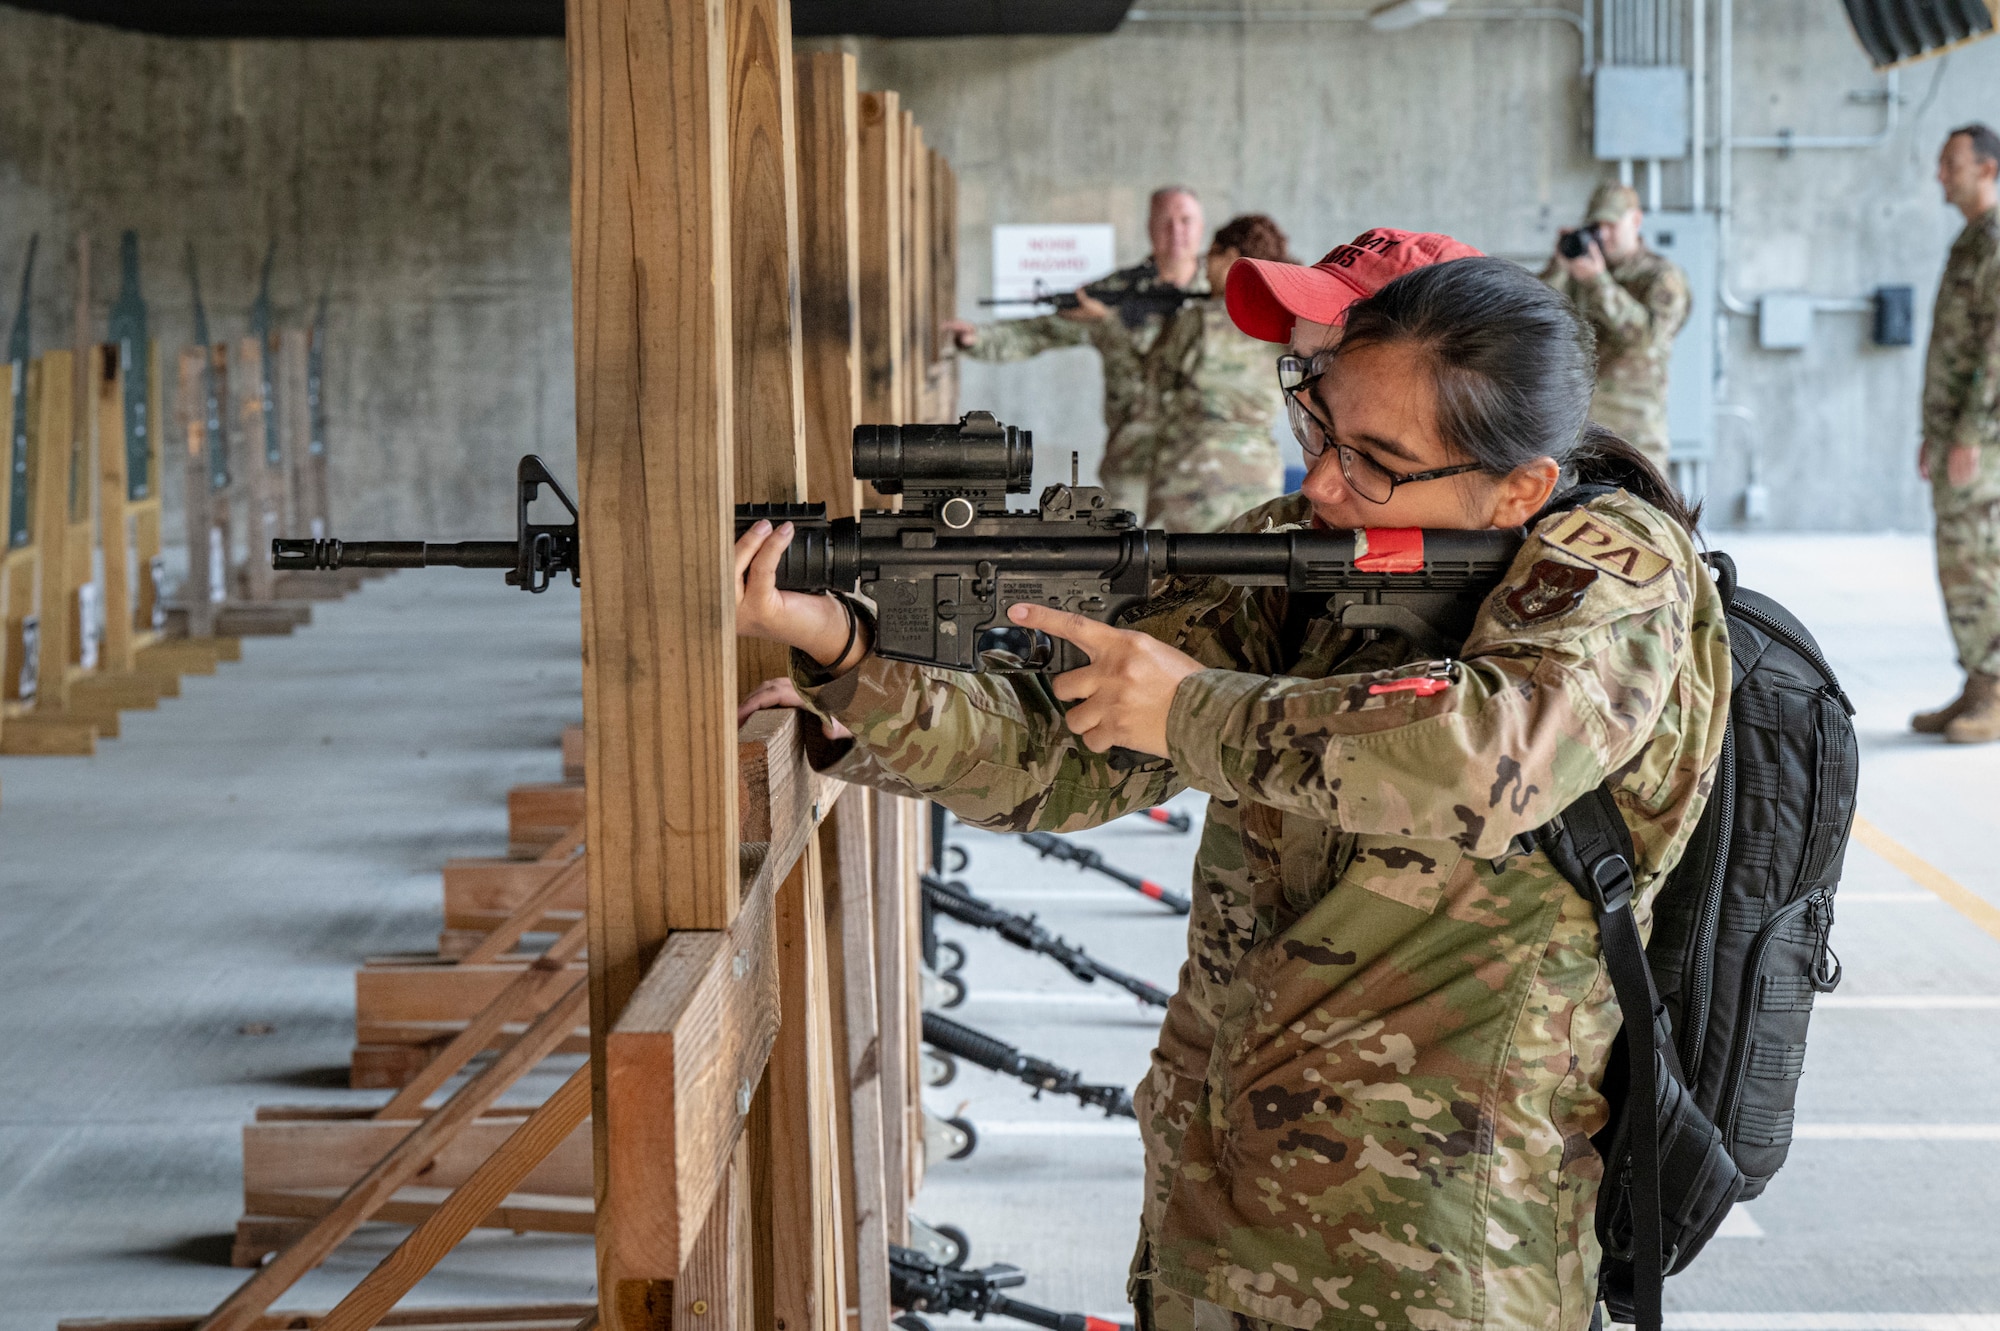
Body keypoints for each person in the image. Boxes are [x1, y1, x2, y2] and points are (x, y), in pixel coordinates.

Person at [737, 254, 1728, 1330]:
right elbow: (1060, 758)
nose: (1320, 483)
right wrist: (850, 654)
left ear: (1518, 486)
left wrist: (1192, 711)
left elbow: (1494, 757)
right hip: (1220, 1215)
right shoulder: (1308, 551)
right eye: (1317, 431)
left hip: (1435, 1260)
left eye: (1374, 460)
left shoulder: (1615, 565)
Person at [944, 186, 1208, 515]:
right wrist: (978, 338)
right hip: (1133, 461)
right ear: (1149, 227)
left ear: (1201, 226)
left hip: (1205, 465)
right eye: (1166, 221)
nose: (1176, 232)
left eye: (1186, 220)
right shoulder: (1116, 292)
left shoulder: (1220, 295)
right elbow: (1040, 332)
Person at [1912, 123, 2000, 743]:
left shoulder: (1995, 243)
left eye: (1953, 164)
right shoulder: (1972, 240)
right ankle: (1977, 680)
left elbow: (1996, 350)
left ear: (1988, 169)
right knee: (1959, 558)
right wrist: (1935, 433)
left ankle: (1995, 689)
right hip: (1956, 434)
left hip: (1984, 438)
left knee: (1978, 559)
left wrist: (1968, 431)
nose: (1943, 174)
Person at [1136, 214, 1293, 532]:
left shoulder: (1198, 319)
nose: (1204, 268)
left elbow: (1155, 380)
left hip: (1194, 474)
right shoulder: (1284, 322)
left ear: (1232, 258)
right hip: (1260, 479)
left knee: (1174, 578)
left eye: (1211, 257)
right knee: (1245, 578)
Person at [1542, 181, 1690, 476]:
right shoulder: (1580, 272)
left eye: (1612, 225)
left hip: (1634, 432)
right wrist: (1559, 266)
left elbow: (1645, 341)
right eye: (1597, 226)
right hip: (1578, 430)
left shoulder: (1661, 277)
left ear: (1635, 221)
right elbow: (1537, 316)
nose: (1604, 234)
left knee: (1641, 517)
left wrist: (1598, 282)